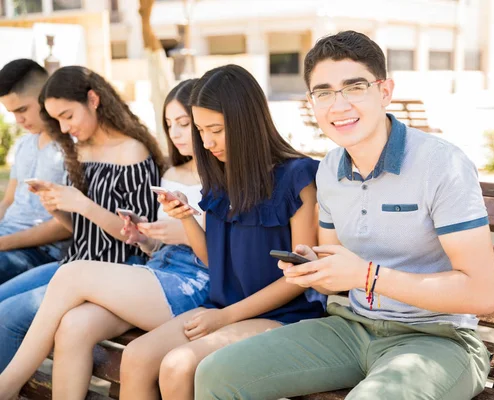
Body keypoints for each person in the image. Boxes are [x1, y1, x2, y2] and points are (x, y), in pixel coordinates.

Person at [193, 31, 494, 400]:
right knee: (217, 373)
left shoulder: (441, 164)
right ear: (312, 102)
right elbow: (333, 280)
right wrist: (314, 269)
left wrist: (368, 276)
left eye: (354, 87)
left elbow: (481, 294)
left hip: (437, 340)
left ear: (384, 91)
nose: (338, 106)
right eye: (323, 92)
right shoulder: (329, 170)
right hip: (350, 327)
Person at [114, 64, 325, 400]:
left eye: (216, 129)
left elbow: (301, 275)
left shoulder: (298, 177)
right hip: (222, 308)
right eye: (201, 131)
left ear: (246, 122)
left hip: (284, 314)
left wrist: (225, 317)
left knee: (178, 366)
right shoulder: (219, 175)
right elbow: (215, 260)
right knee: (136, 356)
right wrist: (185, 218)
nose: (207, 142)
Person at [0, 79, 210, 399]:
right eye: (170, 124)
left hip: (189, 283)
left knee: (72, 274)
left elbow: (223, 248)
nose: (176, 133)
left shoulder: (223, 177)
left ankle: (6, 385)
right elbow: (155, 246)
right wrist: (143, 235)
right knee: (73, 325)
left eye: (185, 123)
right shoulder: (173, 174)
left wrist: (183, 228)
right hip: (156, 270)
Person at [0, 59, 70, 284]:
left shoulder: (72, 148)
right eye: (12, 112)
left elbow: (66, 227)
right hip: (6, 239)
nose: (18, 120)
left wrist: (3, 242)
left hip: (39, 252)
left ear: (45, 95)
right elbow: (9, 201)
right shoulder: (24, 144)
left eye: (22, 109)